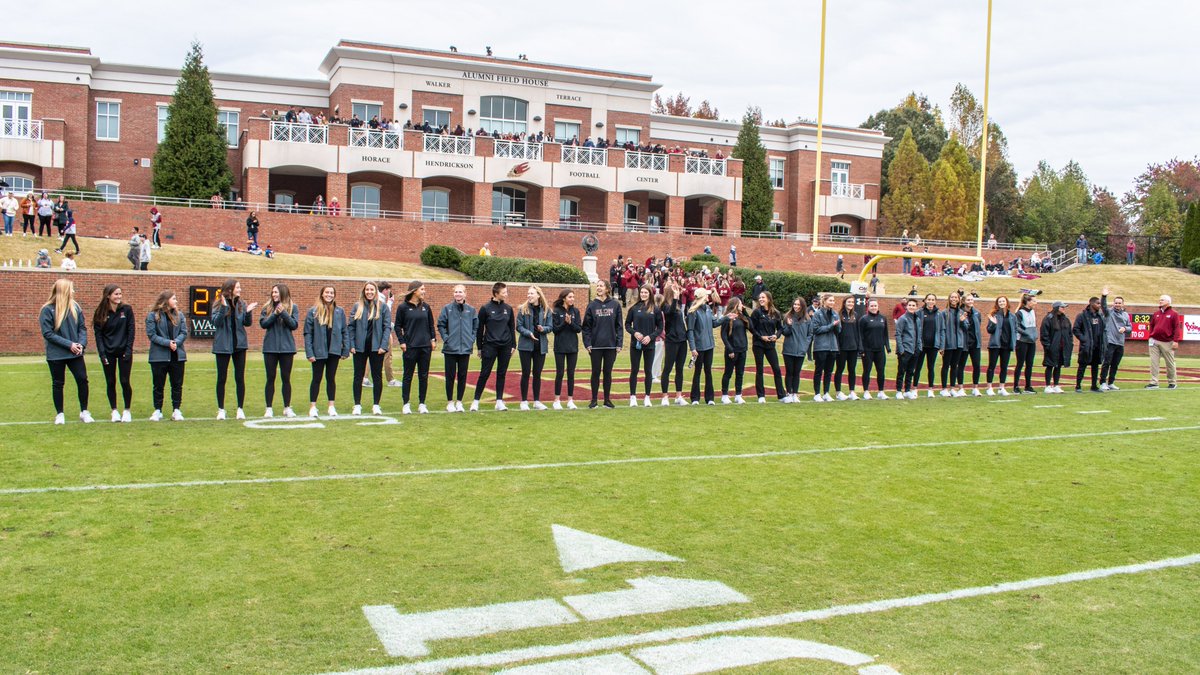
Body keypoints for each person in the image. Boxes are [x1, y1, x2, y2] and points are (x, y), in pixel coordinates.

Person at [40, 279, 92, 424]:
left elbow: (82, 328)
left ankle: (84, 411)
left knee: (82, 380)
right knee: (58, 383)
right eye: (71, 289)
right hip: (56, 354)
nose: (73, 291)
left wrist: (81, 344)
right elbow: (48, 333)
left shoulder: (75, 307)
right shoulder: (47, 309)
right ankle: (60, 414)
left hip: (75, 353)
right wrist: (69, 344)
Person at [212, 278, 257, 419]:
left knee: (240, 377)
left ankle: (240, 409)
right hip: (222, 346)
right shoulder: (218, 304)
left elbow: (246, 323)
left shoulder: (241, 303)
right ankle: (221, 409)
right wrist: (224, 308)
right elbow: (216, 322)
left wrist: (248, 312)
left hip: (239, 346)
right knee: (222, 378)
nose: (240, 289)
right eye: (238, 287)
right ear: (230, 289)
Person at [304, 285, 349, 418]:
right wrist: (309, 352)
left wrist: (345, 349)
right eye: (327, 292)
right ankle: (313, 406)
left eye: (331, 293)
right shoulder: (313, 311)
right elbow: (308, 333)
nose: (329, 295)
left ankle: (331, 406)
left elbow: (344, 331)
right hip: (318, 351)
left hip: (334, 351)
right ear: (322, 294)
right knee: (316, 378)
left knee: (331, 378)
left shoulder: (339, 311)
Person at [93, 284, 135, 422]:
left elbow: (131, 331)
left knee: (124, 381)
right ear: (108, 296)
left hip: (124, 352)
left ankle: (127, 410)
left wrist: (128, 350)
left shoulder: (127, 310)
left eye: (120, 294)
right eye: (116, 294)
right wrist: (102, 354)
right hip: (108, 353)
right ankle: (114, 411)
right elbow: (98, 336)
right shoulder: (100, 312)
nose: (119, 296)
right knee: (110, 382)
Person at [348, 281, 392, 415]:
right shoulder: (357, 306)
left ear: (375, 292)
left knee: (377, 376)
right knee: (358, 376)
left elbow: (387, 328)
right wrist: (352, 344)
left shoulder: (383, 307)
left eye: (372, 290)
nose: (369, 292)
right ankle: (357, 405)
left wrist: (383, 345)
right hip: (360, 348)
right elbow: (351, 327)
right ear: (364, 291)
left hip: (376, 348)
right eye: (367, 290)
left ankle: (376, 405)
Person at [394, 281, 437, 414]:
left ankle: (422, 404)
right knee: (408, 376)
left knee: (423, 376)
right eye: (422, 289)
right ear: (414, 291)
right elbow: (397, 326)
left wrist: (433, 339)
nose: (424, 291)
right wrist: (402, 342)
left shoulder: (426, 307)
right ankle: (406, 404)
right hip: (410, 347)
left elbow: (431, 325)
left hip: (425, 347)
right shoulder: (403, 308)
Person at [472, 282, 516, 411]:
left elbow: (511, 327)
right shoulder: (485, 308)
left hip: (505, 346)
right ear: (496, 293)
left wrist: (513, 344)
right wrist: (479, 347)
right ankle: (476, 401)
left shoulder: (508, 308)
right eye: (504, 292)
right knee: (484, 373)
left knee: (501, 373)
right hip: (489, 346)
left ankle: (499, 401)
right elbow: (480, 329)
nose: (506, 294)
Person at [145, 290, 188, 421]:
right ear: (166, 300)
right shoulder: (153, 316)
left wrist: (176, 342)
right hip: (159, 357)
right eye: (173, 298)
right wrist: (168, 343)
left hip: (177, 356)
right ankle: (158, 410)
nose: (176, 301)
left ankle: (176, 409)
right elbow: (152, 335)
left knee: (177, 384)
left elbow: (184, 332)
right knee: (158, 385)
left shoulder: (179, 315)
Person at [260, 283, 300, 417]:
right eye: (273, 292)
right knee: (270, 378)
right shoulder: (267, 307)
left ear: (283, 293)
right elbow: (263, 324)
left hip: (287, 349)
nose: (274, 295)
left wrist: (283, 312)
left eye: (276, 292)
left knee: (286, 378)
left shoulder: (293, 307)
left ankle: (287, 407)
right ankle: (269, 408)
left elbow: (294, 325)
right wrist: (275, 314)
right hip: (270, 348)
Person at [583, 279, 624, 408]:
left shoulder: (615, 305)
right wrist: (587, 343)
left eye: (601, 286)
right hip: (595, 346)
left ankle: (607, 399)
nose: (599, 288)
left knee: (608, 372)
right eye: (597, 286)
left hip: (611, 345)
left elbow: (619, 326)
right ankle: (594, 399)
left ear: (607, 289)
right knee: (595, 372)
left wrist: (619, 343)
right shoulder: (591, 305)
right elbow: (586, 327)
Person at [437, 284, 478, 413]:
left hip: (465, 348)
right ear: (453, 294)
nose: (458, 294)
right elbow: (441, 324)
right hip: (450, 348)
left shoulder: (471, 310)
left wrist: (471, 339)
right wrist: (446, 338)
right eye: (456, 292)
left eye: (460, 292)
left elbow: (475, 326)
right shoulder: (447, 309)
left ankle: (459, 402)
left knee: (462, 375)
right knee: (450, 376)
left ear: (465, 294)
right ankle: (450, 402)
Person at [512, 285, 551, 411]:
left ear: (538, 295)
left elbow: (550, 327)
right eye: (528, 293)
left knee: (537, 374)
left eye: (532, 293)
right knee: (525, 373)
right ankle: (523, 401)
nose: (529, 295)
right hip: (525, 346)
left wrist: (543, 329)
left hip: (540, 346)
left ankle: (536, 401)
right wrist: (529, 333)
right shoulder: (523, 309)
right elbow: (518, 326)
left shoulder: (546, 310)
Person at [624, 285, 663, 407]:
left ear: (650, 294)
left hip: (649, 345)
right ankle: (633, 397)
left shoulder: (655, 309)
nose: (644, 294)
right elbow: (627, 325)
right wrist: (635, 333)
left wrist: (650, 337)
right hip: (635, 345)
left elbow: (660, 328)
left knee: (648, 371)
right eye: (642, 292)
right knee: (634, 370)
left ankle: (647, 397)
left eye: (646, 292)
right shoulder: (634, 308)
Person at [686, 288, 726, 405]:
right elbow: (690, 331)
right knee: (697, 371)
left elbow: (714, 323)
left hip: (709, 345)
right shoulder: (693, 312)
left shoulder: (707, 309)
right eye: (706, 295)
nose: (708, 297)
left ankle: (710, 398)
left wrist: (726, 317)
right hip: (699, 346)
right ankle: (695, 398)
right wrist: (693, 348)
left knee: (708, 371)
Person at [750, 291, 786, 403]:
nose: (760, 299)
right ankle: (761, 396)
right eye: (759, 297)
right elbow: (752, 328)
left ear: (769, 299)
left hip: (770, 345)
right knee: (759, 369)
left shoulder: (776, 313)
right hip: (758, 344)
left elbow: (780, 328)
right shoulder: (756, 313)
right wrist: (761, 337)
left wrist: (776, 335)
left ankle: (781, 395)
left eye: (763, 297)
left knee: (776, 369)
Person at [657, 282, 689, 406]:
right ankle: (665, 396)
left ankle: (678, 396)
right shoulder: (664, 305)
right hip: (671, 340)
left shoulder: (678, 304)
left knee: (679, 369)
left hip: (682, 339)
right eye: (674, 288)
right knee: (668, 368)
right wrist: (675, 298)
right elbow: (669, 313)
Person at [1145, 294, 1183, 390]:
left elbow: (1176, 328)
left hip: (1167, 342)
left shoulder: (1174, 314)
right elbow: (1152, 325)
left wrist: (1175, 341)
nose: (1160, 301)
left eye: (1162, 300)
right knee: (1154, 363)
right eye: (1160, 300)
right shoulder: (1156, 313)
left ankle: (1172, 382)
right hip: (1154, 341)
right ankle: (1154, 382)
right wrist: (1150, 336)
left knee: (1170, 363)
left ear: (1168, 302)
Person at [719, 297, 751, 404]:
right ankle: (724, 395)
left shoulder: (742, 317)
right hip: (732, 349)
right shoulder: (728, 317)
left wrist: (745, 312)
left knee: (740, 373)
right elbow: (723, 335)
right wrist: (730, 349)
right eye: (741, 304)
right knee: (728, 372)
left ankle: (738, 394)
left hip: (742, 348)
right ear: (736, 305)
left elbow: (751, 326)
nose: (742, 305)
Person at [781, 297, 813, 403]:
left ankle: (795, 393)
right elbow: (784, 332)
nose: (796, 306)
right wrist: (789, 326)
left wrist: (805, 346)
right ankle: (788, 393)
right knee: (789, 372)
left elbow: (810, 334)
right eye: (795, 304)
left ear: (802, 306)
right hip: (789, 349)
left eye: (798, 305)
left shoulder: (807, 319)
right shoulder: (787, 317)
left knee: (797, 372)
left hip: (801, 350)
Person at [1098, 287, 1130, 391]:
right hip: (1110, 341)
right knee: (1106, 362)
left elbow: (1130, 327)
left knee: (1115, 364)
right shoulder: (1109, 312)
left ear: (1123, 304)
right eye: (1116, 303)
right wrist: (1104, 296)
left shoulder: (1125, 315)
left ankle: (1111, 382)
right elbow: (1103, 306)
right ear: (1113, 303)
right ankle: (1103, 382)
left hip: (1120, 342)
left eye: (1119, 303)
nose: (1117, 304)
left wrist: (1125, 328)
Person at [936, 292, 967, 397]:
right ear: (949, 299)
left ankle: (953, 388)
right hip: (948, 343)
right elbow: (941, 329)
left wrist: (962, 321)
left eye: (956, 297)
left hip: (959, 344)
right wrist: (942, 345)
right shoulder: (944, 313)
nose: (954, 299)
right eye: (952, 297)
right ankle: (944, 388)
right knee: (946, 365)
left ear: (959, 299)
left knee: (955, 366)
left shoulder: (962, 312)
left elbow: (966, 328)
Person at [858, 298, 890, 399]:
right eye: (871, 306)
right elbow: (860, 335)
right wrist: (861, 349)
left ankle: (881, 391)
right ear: (868, 307)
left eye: (875, 305)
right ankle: (866, 391)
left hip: (880, 349)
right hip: (868, 350)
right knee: (867, 370)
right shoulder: (864, 319)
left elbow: (886, 334)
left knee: (881, 370)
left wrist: (887, 347)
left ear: (878, 306)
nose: (874, 307)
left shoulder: (883, 318)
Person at [1072, 295, 1106, 393]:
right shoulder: (1082, 316)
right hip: (1087, 346)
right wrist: (1084, 339)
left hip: (1097, 345)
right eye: (1097, 303)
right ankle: (1078, 386)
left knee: (1095, 366)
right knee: (1082, 365)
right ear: (1091, 304)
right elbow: (1075, 329)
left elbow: (1102, 329)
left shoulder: (1099, 316)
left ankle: (1094, 386)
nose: (1099, 305)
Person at [811, 293, 841, 402]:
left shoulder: (835, 314)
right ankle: (817, 393)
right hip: (821, 347)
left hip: (833, 347)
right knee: (819, 370)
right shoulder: (817, 314)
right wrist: (831, 326)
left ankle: (826, 393)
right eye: (830, 300)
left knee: (829, 371)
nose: (832, 302)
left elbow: (839, 331)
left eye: (833, 301)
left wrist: (836, 326)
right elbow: (816, 329)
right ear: (824, 301)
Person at [985, 296, 1017, 396]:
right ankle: (989, 387)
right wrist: (993, 324)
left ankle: (1001, 387)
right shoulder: (994, 315)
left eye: (1003, 301)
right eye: (1000, 301)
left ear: (1007, 302)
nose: (1002, 303)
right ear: (997, 303)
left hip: (1006, 345)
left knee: (1004, 367)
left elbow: (1015, 329)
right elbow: (989, 330)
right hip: (995, 345)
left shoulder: (1012, 316)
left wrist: (1013, 341)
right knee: (992, 366)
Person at [1040, 301, 1073, 393]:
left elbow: (1069, 333)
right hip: (1052, 347)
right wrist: (1048, 346)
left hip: (1062, 347)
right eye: (1062, 307)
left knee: (1058, 366)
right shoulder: (1048, 319)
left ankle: (1056, 385)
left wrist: (1069, 343)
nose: (1064, 309)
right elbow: (1044, 334)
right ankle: (1047, 385)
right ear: (1057, 308)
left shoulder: (1065, 319)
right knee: (1050, 366)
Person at [832, 296, 860, 400]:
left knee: (852, 369)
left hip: (853, 347)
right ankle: (838, 392)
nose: (851, 303)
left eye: (852, 302)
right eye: (849, 302)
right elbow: (836, 332)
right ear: (844, 303)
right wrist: (837, 347)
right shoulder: (838, 315)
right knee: (839, 369)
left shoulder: (855, 315)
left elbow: (858, 332)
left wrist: (858, 346)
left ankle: (852, 391)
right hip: (842, 347)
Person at [894, 297, 922, 399]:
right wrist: (901, 350)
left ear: (916, 307)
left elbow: (919, 334)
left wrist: (919, 347)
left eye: (913, 305)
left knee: (911, 371)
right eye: (910, 305)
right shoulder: (902, 318)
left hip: (915, 349)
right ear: (906, 306)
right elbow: (898, 334)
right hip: (905, 349)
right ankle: (898, 390)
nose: (911, 307)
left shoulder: (917, 319)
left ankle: (907, 390)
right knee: (901, 371)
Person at [1013, 294, 1039, 394]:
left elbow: (1033, 325)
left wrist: (1034, 334)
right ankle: (1016, 386)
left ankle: (1028, 386)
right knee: (1020, 364)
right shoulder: (1019, 313)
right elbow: (1017, 327)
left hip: (1031, 341)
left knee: (1030, 364)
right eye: (1034, 301)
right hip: (1022, 341)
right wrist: (1026, 333)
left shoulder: (1032, 312)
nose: (1035, 303)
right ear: (1028, 302)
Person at [958, 294, 983, 396]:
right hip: (964, 343)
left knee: (976, 365)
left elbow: (978, 326)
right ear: (963, 301)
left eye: (972, 299)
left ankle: (975, 388)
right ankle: (960, 388)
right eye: (968, 300)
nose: (970, 301)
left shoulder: (977, 313)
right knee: (961, 366)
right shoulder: (959, 312)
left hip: (975, 343)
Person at [917, 294, 941, 398]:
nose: (931, 301)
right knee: (917, 367)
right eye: (929, 299)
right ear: (925, 300)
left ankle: (930, 389)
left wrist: (941, 344)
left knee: (931, 367)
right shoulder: (919, 313)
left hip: (933, 345)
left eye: (933, 300)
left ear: (935, 301)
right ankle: (914, 388)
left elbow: (941, 330)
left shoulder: (939, 314)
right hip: (921, 345)